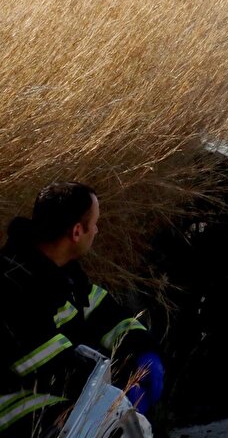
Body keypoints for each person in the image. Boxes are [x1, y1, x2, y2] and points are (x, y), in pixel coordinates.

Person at [0, 182, 163, 437]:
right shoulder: (11, 286)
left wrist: (144, 350)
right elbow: (53, 368)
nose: (97, 230)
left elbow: (106, 314)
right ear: (77, 231)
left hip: (52, 404)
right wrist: (120, 388)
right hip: (14, 414)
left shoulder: (61, 274)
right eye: (94, 223)